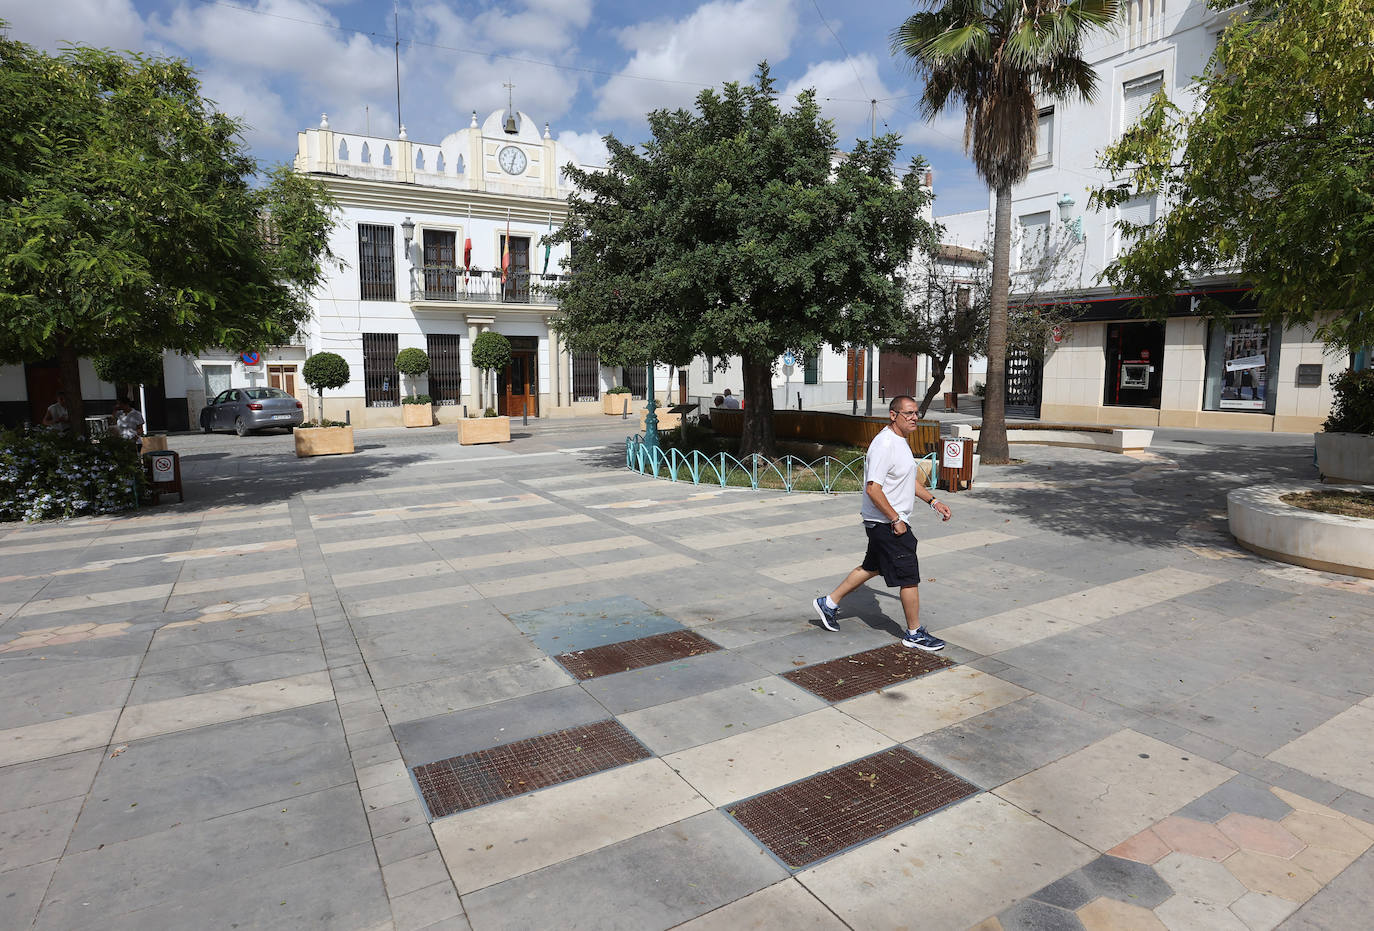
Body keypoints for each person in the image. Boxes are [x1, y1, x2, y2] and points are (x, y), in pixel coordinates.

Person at [814, 395, 952, 651]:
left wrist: (933, 501)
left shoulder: (900, 441)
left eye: (916, 414)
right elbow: (873, 488)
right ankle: (914, 633)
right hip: (886, 523)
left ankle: (828, 603)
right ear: (893, 415)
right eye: (908, 413)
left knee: (872, 567)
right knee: (909, 577)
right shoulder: (884, 444)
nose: (914, 418)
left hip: (885, 521)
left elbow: (906, 480)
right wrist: (895, 519)